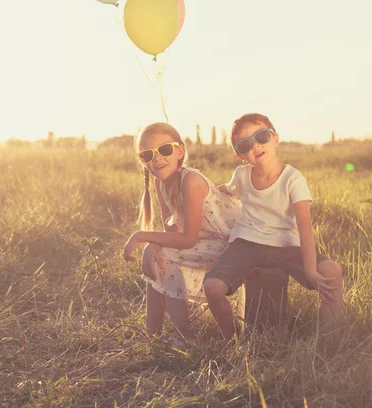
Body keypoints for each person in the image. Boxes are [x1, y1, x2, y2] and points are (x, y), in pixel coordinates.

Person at [203, 113, 344, 345]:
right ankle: (230, 340)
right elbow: (228, 189)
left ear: (275, 138)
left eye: (261, 136)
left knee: (332, 271)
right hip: (246, 243)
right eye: (246, 144)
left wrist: (310, 270)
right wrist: (215, 192)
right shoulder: (241, 174)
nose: (256, 145)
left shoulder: (293, 179)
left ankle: (333, 342)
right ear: (240, 155)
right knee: (213, 286)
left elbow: (305, 226)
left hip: (286, 245)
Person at [123, 122, 244, 344]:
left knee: (164, 254)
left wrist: (142, 236)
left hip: (232, 243)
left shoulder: (191, 180)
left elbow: (187, 239)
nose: (157, 158)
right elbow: (172, 233)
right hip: (207, 243)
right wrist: (153, 246)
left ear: (179, 151)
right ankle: (153, 335)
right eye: (147, 154)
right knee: (161, 255)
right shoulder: (162, 184)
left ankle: (183, 337)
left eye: (165, 150)